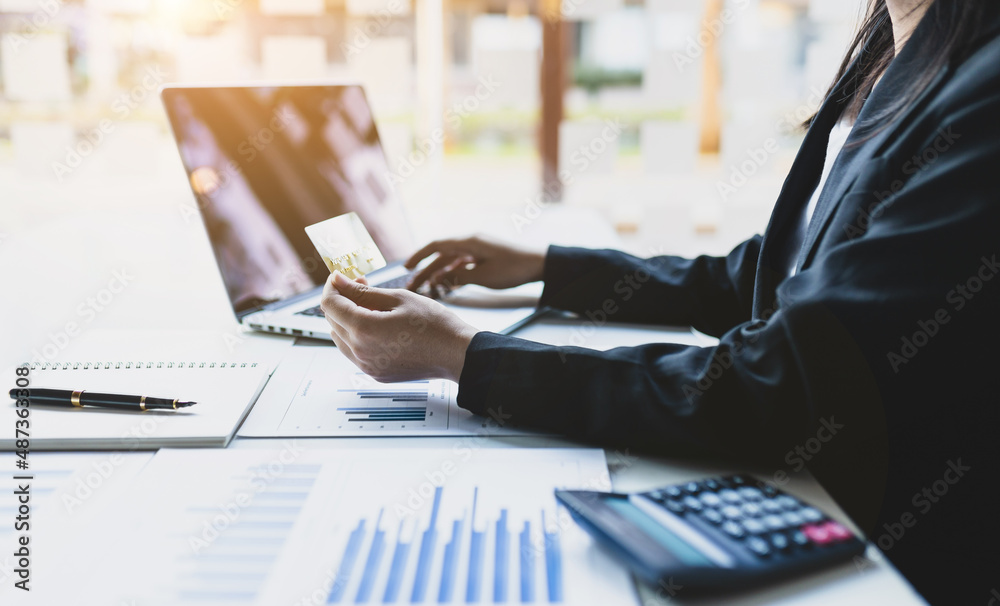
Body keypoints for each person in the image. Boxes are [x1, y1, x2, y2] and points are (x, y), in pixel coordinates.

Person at [321, 0, 1000, 602]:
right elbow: (770, 277)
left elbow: (780, 383)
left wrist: (467, 357)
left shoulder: (982, 92)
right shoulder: (897, 45)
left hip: (885, 552)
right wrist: (552, 270)